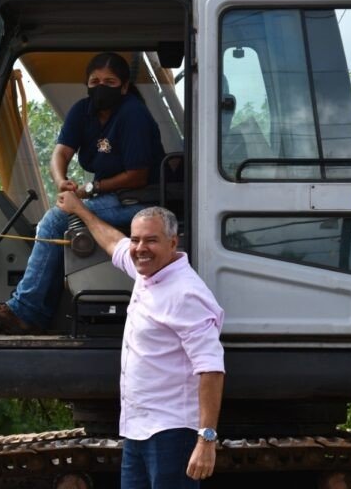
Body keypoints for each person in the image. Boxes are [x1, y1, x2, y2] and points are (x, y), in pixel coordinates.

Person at [0, 52, 165, 333]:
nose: (101, 87)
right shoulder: (82, 111)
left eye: (110, 82)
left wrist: (89, 189)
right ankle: (41, 306)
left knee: (55, 220)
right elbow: (61, 152)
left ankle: (25, 313)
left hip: (142, 199)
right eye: (95, 81)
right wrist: (61, 180)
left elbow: (138, 176)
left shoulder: (132, 114)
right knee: (51, 221)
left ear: (124, 87)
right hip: (113, 197)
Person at [56, 191, 226, 488]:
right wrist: (80, 210)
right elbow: (112, 241)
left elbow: (211, 369)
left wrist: (206, 438)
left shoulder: (186, 294)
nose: (139, 248)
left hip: (172, 432)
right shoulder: (146, 273)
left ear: (173, 243)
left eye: (151, 240)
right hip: (138, 429)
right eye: (136, 240)